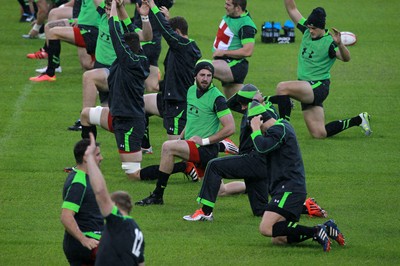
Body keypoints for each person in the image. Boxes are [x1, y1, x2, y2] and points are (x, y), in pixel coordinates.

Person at [135, 60, 236, 205]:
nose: (205, 78)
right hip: (193, 146)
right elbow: (191, 119)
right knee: (222, 190)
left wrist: (205, 141)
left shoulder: (217, 98)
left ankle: (158, 195)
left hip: (205, 149)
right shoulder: (190, 91)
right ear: (195, 75)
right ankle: (250, 185)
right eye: (202, 75)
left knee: (167, 147)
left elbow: (231, 127)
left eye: (209, 75)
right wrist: (181, 137)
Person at [268, 0, 372, 138]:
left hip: (318, 87)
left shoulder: (330, 42)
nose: (310, 30)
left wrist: (340, 44)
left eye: (313, 28)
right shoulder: (306, 30)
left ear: (321, 27)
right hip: (306, 88)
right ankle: (359, 119)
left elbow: (346, 58)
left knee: (282, 88)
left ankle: (283, 130)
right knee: (319, 133)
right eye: (309, 27)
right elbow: (292, 9)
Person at [81, 0, 150, 181]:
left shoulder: (128, 61)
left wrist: (113, 7)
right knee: (86, 115)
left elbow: (114, 30)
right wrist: (120, 7)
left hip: (129, 123)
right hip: (116, 115)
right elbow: (128, 31)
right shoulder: (140, 55)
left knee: (133, 175)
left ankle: (181, 167)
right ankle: (88, 157)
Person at [183, 98, 277, 218]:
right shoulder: (253, 110)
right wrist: (246, 96)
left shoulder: (264, 115)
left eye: (244, 104)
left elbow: (269, 138)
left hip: (255, 161)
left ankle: (205, 212)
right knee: (261, 211)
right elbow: (230, 104)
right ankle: (304, 206)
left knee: (214, 166)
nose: (242, 108)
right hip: (260, 164)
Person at [69, 0, 152, 132]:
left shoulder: (124, 25)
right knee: (110, 113)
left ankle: (84, 121)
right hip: (101, 68)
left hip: (116, 72)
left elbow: (146, 36)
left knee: (88, 77)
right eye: (106, 7)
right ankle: (134, 129)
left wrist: (145, 17)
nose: (108, 10)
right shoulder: (102, 13)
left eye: (110, 7)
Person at [139, 0, 201, 152]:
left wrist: (152, 5)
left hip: (178, 102)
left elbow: (167, 32)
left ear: (178, 33)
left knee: (174, 149)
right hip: (167, 98)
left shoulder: (184, 46)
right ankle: (144, 145)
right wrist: (168, 19)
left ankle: (219, 145)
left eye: (173, 34)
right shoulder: (182, 45)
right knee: (139, 103)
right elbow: (169, 31)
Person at [85, 132, 145, 265]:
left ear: (116, 204)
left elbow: (100, 192)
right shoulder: (137, 231)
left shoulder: (118, 221)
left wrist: (90, 158)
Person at [29, 0, 100, 82]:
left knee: (88, 64)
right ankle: (53, 68)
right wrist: (77, 18)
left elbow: (101, 10)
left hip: (90, 29)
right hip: (82, 24)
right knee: (50, 27)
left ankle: (50, 73)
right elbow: (80, 4)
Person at [61, 138, 103, 265]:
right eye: (97, 155)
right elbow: (66, 216)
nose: (101, 158)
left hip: (93, 239)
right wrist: (84, 240)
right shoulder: (78, 183)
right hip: (85, 244)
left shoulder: (86, 176)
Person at [212, 0, 257, 99]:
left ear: (238, 8)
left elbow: (248, 51)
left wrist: (223, 52)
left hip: (234, 65)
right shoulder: (232, 16)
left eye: (228, 5)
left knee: (203, 68)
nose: (225, 6)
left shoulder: (246, 26)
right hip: (225, 64)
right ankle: (274, 102)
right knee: (239, 103)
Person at [132, 0, 174, 93]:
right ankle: (176, 86)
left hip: (141, 40)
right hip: (154, 43)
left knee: (132, 82)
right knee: (152, 87)